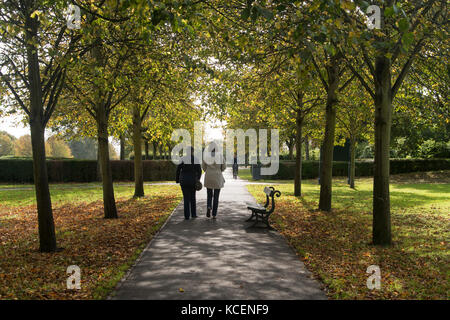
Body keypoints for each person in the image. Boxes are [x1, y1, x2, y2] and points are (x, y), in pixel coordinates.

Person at [176, 147, 202, 220]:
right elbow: (199, 170)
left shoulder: (182, 159)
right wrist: (198, 179)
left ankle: (186, 215)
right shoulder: (195, 159)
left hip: (184, 180)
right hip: (193, 180)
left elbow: (178, 170)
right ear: (192, 151)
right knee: (193, 197)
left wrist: (177, 180)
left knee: (186, 198)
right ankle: (193, 214)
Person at [202, 147, 226, 219]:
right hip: (217, 177)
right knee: (216, 196)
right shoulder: (220, 156)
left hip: (209, 176)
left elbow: (203, 167)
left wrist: (208, 170)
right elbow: (224, 166)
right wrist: (220, 170)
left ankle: (209, 206)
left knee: (209, 194)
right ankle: (214, 214)